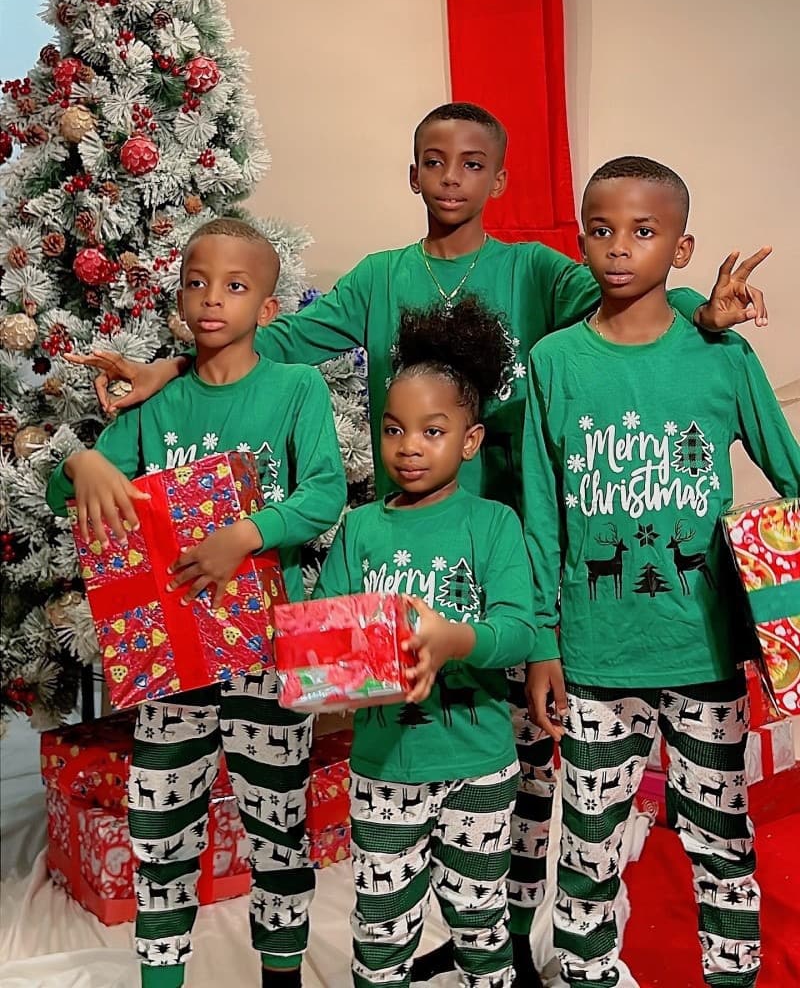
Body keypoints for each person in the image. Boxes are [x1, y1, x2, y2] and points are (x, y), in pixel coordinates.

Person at [65, 104, 772, 984]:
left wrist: (711, 316)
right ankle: (426, 931)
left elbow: (628, 291)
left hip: (503, 557)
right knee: (416, 747)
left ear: (499, 179)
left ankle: (503, 948)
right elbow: (263, 337)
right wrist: (170, 368)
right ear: (413, 176)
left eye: (472, 163)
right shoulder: (378, 280)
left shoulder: (535, 272)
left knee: (522, 781)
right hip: (406, 552)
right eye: (433, 162)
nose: (451, 177)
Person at [47, 218, 347, 988]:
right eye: (196, 282)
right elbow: (67, 491)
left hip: (265, 652)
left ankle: (281, 974)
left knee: (278, 822)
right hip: (170, 657)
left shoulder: (295, 388)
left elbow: (323, 492)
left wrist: (243, 535)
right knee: (159, 826)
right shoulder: (154, 404)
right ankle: (161, 977)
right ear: (178, 293)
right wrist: (81, 460)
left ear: (269, 308)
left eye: (236, 286)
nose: (212, 299)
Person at [522, 156, 800, 987]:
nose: (619, 248)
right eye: (601, 231)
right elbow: (543, 512)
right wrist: (542, 640)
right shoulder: (555, 363)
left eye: (644, 232)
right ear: (580, 241)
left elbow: (791, 473)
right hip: (597, 658)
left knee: (721, 836)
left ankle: (734, 975)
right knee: (589, 845)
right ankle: (586, 974)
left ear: (681, 249)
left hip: (706, 653)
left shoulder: (720, 358)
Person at [313, 296, 536, 988]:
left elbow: (518, 632)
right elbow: (326, 636)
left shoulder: (493, 524)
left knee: (478, 920)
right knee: (380, 932)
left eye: (432, 431)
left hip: (477, 763)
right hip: (384, 766)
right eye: (393, 429)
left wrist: (451, 639)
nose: (409, 446)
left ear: (469, 441)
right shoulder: (361, 530)